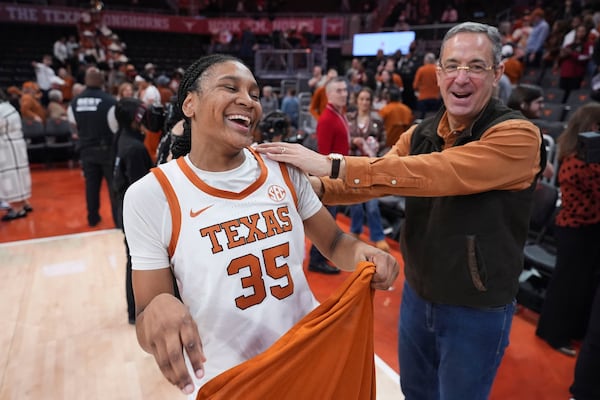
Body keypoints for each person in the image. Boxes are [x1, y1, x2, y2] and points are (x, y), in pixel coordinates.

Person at [256, 22, 545, 399]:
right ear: (438, 74)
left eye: (476, 66)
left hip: (477, 308)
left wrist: (333, 163)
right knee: (415, 393)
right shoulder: (421, 132)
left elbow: (440, 172)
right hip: (417, 294)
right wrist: (304, 188)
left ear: (497, 74)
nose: (462, 76)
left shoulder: (518, 136)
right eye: (453, 65)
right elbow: (374, 179)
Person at [122, 54, 398, 397]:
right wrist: (157, 310)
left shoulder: (283, 168)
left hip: (308, 357)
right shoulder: (150, 195)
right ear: (189, 103)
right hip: (231, 380)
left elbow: (336, 243)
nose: (248, 101)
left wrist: (364, 253)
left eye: (255, 94)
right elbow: (148, 313)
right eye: (230, 87)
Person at [535, 102, 600, 357]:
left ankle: (564, 330)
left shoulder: (577, 155)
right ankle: (555, 334)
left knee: (578, 286)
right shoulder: (581, 161)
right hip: (577, 230)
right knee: (567, 287)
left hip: (584, 229)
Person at [112, 97, 154, 324]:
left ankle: (133, 311)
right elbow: (142, 190)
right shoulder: (135, 148)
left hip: (123, 209)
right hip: (135, 216)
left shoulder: (121, 138)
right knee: (138, 264)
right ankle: (137, 313)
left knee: (132, 262)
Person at [307, 76, 351, 275]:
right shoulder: (327, 119)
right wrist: (329, 182)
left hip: (337, 176)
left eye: (345, 90)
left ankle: (320, 257)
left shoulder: (337, 114)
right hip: (331, 179)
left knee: (330, 220)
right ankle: (316, 260)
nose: (344, 94)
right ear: (329, 94)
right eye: (339, 91)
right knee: (327, 221)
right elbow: (324, 154)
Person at [68, 66, 119, 227]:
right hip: (107, 150)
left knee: (91, 186)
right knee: (113, 187)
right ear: (102, 82)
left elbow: (73, 123)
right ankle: (118, 221)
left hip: (86, 150)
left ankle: (93, 218)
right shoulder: (110, 101)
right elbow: (114, 127)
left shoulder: (74, 102)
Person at [346, 87, 390, 252]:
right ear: (357, 101)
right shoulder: (349, 118)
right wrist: (353, 142)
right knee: (355, 203)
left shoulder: (377, 120)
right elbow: (345, 139)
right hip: (352, 165)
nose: (364, 102)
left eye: (367, 100)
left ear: (371, 102)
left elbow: (384, 142)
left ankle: (378, 236)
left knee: (372, 204)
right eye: (362, 99)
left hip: (371, 166)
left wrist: (376, 149)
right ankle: (355, 230)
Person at [0, 89, 33, 221]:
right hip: (16, 145)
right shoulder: (8, 107)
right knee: (20, 176)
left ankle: (17, 209)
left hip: (7, 148)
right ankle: (25, 203)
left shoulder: (1, 110)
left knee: (10, 177)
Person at [413, 52, 441, 119]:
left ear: (425, 61)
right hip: (436, 99)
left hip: (423, 99)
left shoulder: (421, 70)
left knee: (422, 120)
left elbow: (415, 85)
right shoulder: (437, 70)